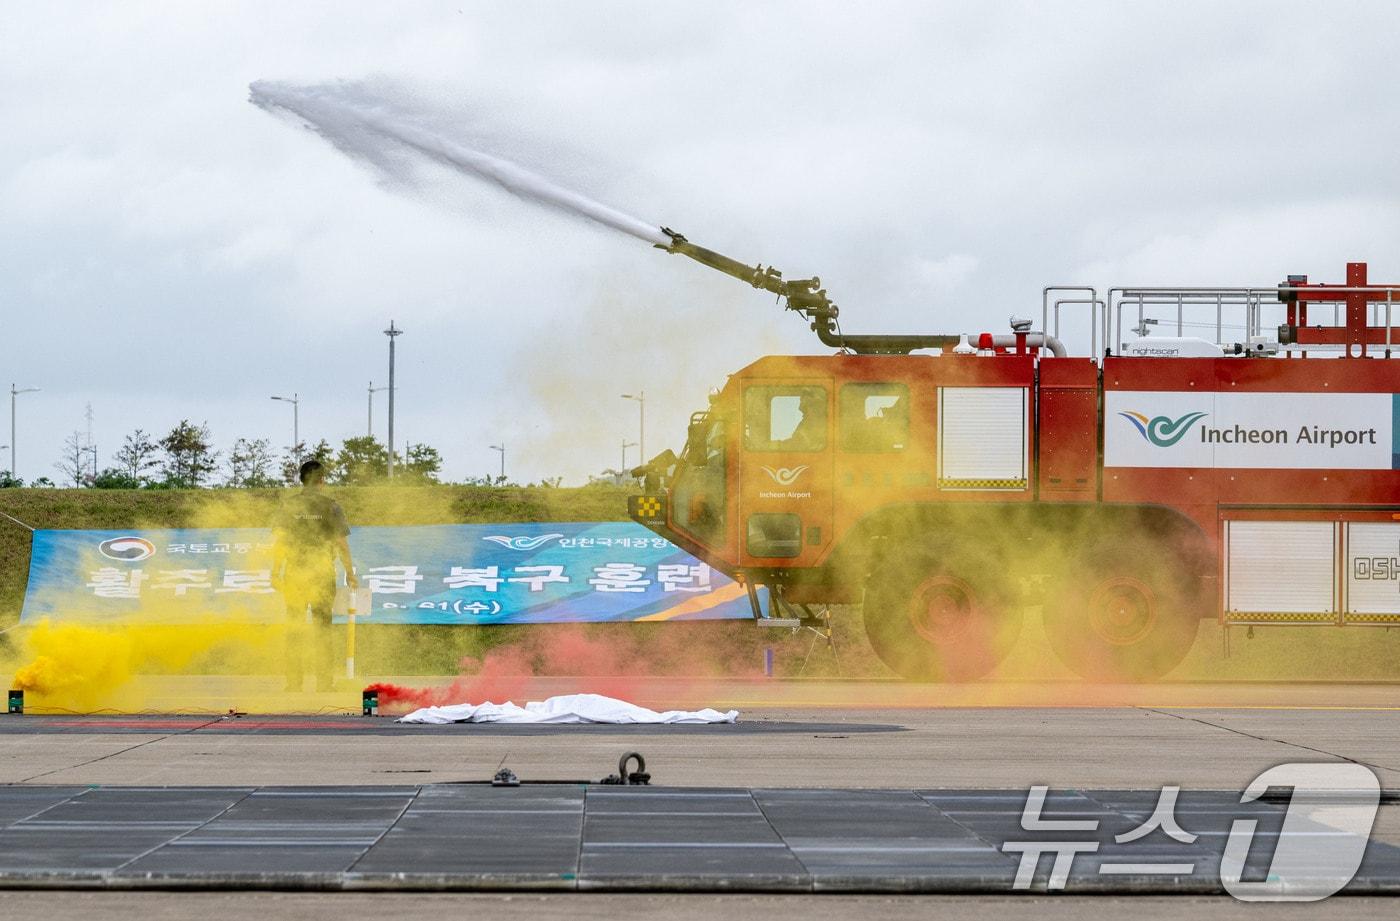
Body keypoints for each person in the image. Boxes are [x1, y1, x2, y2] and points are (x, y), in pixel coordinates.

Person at [272, 459, 357, 692]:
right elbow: (341, 543)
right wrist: (350, 573)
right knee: (322, 628)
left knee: (294, 628)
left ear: (301, 480)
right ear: (322, 480)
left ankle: (293, 684)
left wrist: (275, 571)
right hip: (321, 573)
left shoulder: (289, 506)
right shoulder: (330, 506)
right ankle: (324, 684)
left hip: (294, 573)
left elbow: (281, 541)